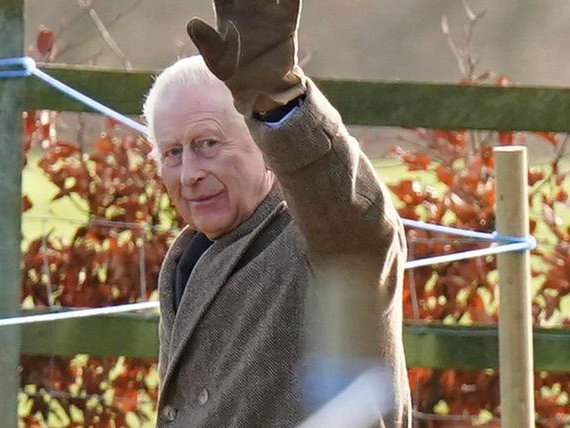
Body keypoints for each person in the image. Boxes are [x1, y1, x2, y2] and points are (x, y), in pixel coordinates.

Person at [142, 0, 411, 426]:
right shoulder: (189, 259)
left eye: (208, 144)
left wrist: (277, 102)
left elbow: (352, 216)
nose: (190, 173)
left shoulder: (316, 238)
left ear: (264, 146)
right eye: (172, 153)